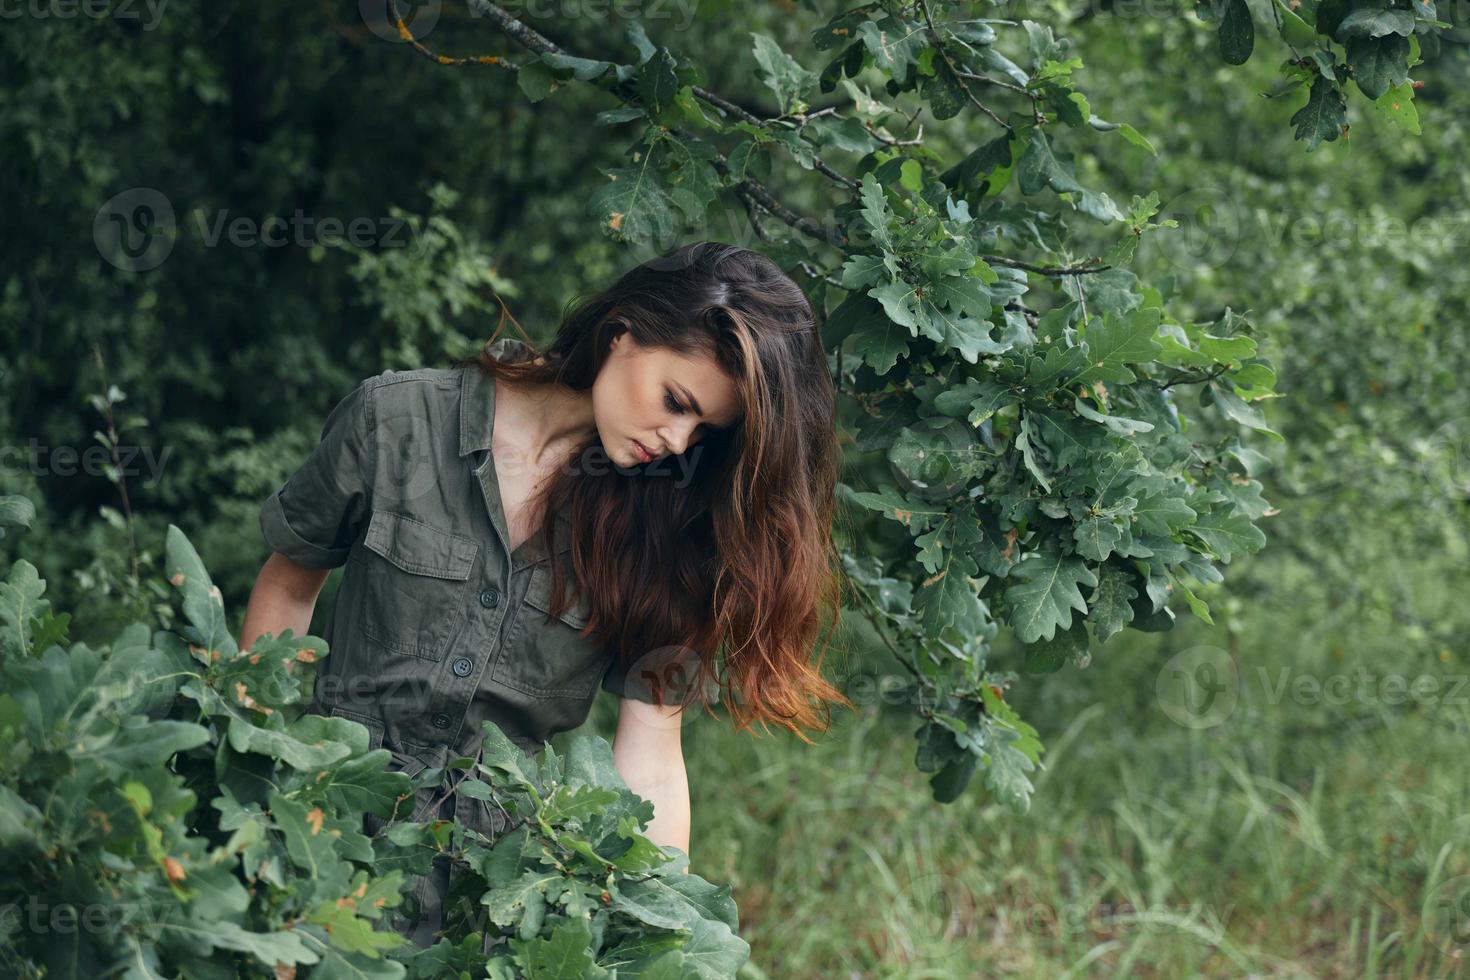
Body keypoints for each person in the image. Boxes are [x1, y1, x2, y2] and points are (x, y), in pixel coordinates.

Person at [237, 240, 855, 946]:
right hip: (323, 838)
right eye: (676, 402)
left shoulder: (668, 533)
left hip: (491, 901)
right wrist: (269, 787)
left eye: (703, 429)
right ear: (622, 332)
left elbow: (652, 747)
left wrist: (651, 928)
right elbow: (288, 588)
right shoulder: (400, 419)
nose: (678, 439)